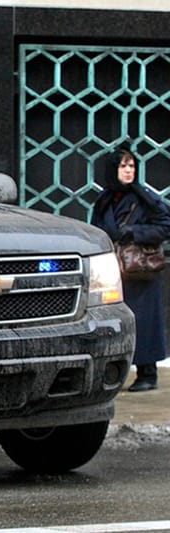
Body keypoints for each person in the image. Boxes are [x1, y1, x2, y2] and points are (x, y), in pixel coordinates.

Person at [91, 145, 170, 391]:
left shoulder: (145, 197)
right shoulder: (105, 199)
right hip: (114, 270)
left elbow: (165, 225)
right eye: (123, 166)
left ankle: (148, 373)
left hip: (139, 269)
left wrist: (135, 232)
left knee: (145, 320)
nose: (128, 171)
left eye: (132, 166)